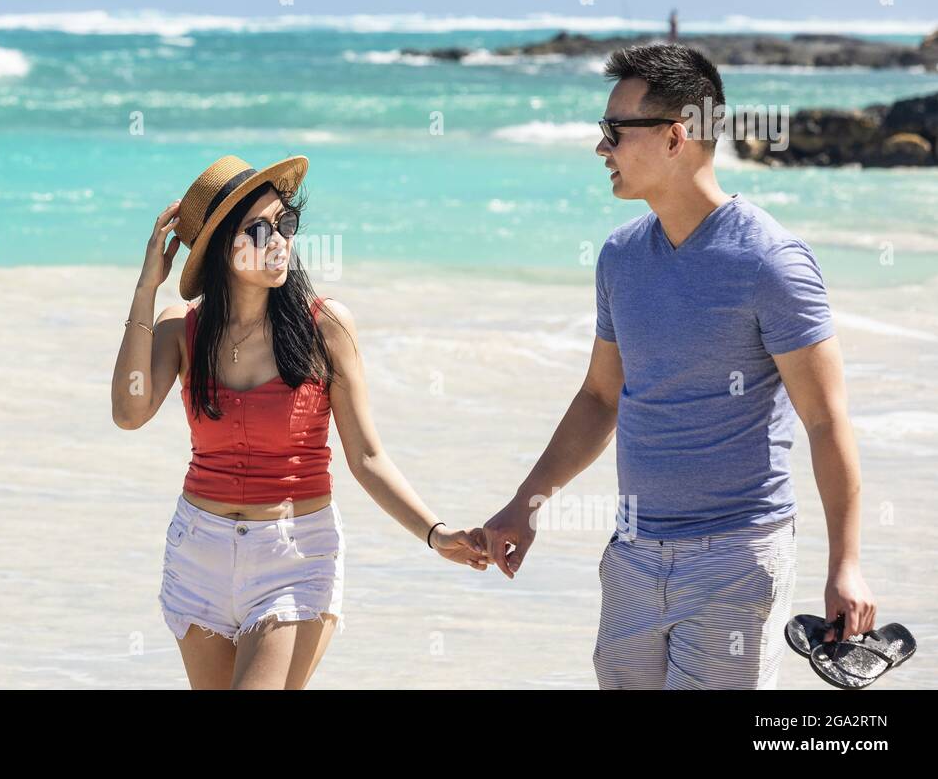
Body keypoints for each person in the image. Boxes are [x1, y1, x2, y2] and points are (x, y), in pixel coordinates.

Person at [480, 43, 876, 689]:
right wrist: (527, 503)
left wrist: (847, 563)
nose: (600, 147)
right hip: (633, 558)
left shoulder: (772, 263)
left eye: (614, 131)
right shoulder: (619, 258)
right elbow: (600, 399)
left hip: (737, 561)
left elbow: (827, 422)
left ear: (676, 138)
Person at [112, 154, 488, 689]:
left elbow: (367, 457)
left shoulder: (324, 327)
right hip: (198, 554)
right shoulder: (182, 331)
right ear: (222, 248)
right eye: (258, 229)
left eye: (285, 223)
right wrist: (145, 291)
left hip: (293, 557)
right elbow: (128, 413)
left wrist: (436, 533)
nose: (279, 240)